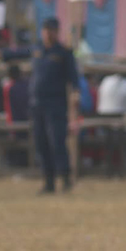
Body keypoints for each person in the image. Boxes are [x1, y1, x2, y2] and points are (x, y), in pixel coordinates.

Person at [31, 17, 80, 193]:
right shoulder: (37, 49)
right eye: (45, 30)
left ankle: (65, 177)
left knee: (57, 141)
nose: (48, 34)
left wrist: (75, 94)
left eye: (51, 30)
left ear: (56, 32)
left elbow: (74, 78)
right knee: (41, 143)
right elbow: (14, 53)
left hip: (56, 104)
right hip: (37, 104)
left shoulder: (64, 53)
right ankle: (48, 181)